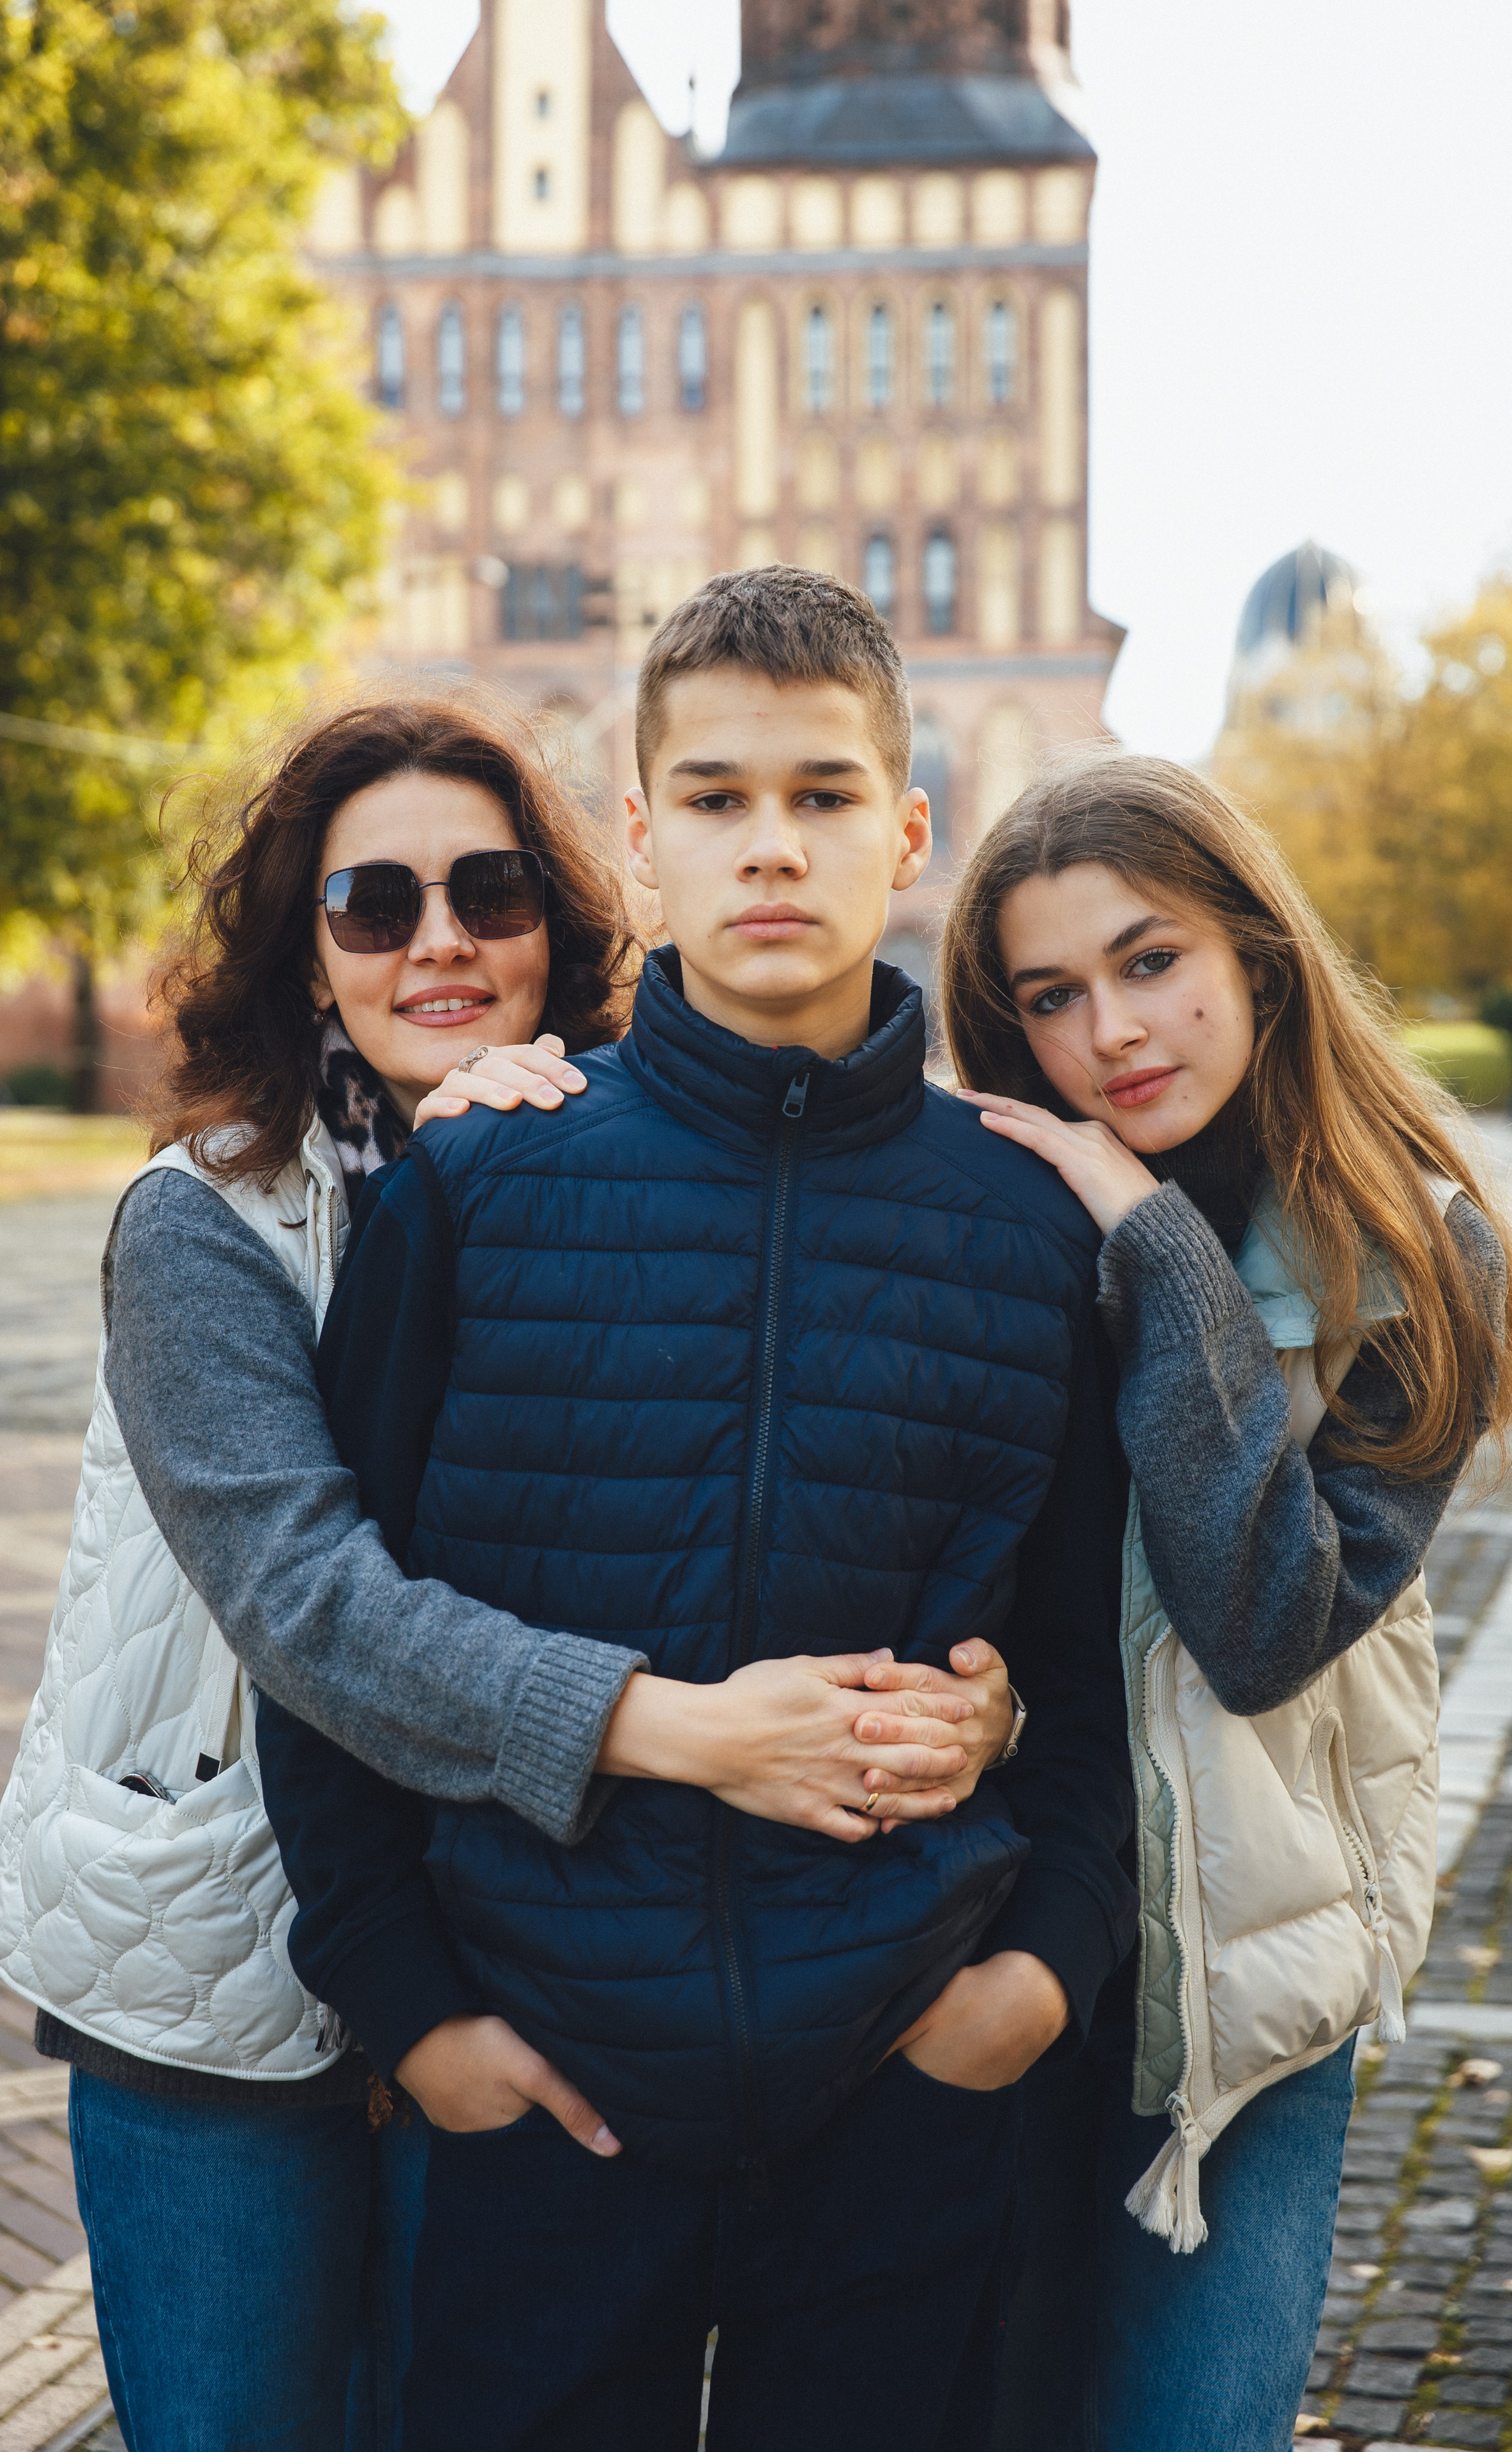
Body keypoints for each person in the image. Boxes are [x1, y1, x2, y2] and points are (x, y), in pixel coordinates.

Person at [0, 690, 999, 2452]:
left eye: (490, 893)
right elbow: (313, 1604)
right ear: (309, 956)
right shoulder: (202, 1222)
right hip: (222, 1966)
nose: (438, 940)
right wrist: (689, 1733)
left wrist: (970, 1703)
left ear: (562, 921)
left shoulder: (588, 1159)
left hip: (507, 1960)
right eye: (374, 906)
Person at [255, 567, 1138, 2452]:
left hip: (903, 2099)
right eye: (719, 802)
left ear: (910, 833)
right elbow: (337, 1632)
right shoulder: (484, 1181)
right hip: (550, 2099)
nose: (773, 849)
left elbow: (1086, 1670)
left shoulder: (1026, 1222)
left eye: (824, 798)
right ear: (642, 840)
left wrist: (1039, 1976)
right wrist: (417, 2017)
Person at [942, 752, 1511, 2452]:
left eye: (1152, 960)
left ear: (1254, 957)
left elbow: (1265, 1623)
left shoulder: (1415, 1260)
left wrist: (1163, 1257)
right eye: (1054, 994)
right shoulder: (993, 1224)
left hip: (1241, 2005)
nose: (1114, 1030)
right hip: (998, 1951)